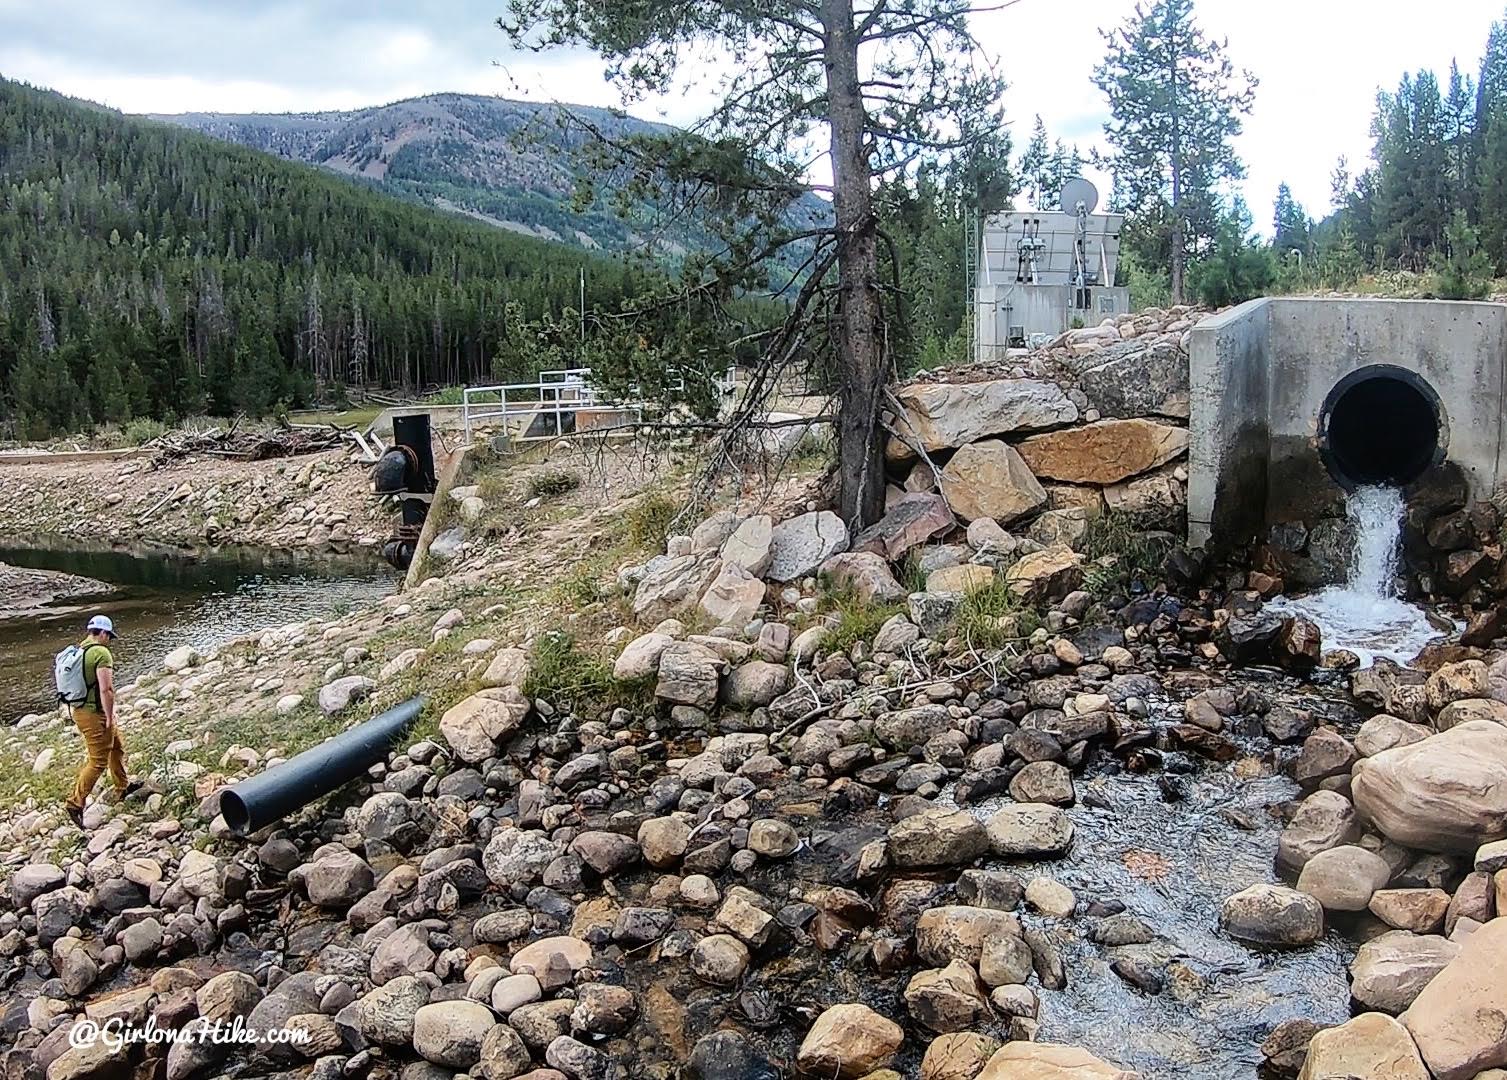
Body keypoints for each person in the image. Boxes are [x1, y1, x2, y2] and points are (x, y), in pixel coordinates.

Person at [65, 615, 141, 827]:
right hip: (94, 713)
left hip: (79, 710)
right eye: (110, 636)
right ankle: (75, 803)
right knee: (97, 760)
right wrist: (109, 715)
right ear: (104, 633)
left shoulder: (80, 649)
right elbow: (106, 689)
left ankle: (122, 786)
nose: (110, 640)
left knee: (116, 746)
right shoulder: (100, 653)